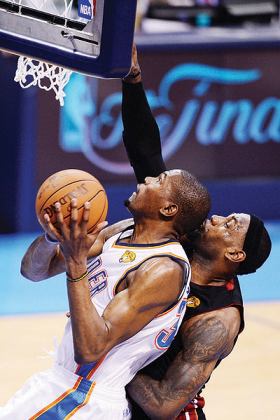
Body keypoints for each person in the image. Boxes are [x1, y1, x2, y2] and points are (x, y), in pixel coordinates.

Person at [120, 45, 272, 420]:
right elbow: (147, 158)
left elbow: (164, 404)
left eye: (229, 225)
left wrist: (107, 348)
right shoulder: (184, 235)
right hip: (114, 398)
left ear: (235, 256)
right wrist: (133, 80)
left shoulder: (218, 321)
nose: (217, 218)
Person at [0, 161, 210, 419]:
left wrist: (77, 264)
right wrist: (52, 236)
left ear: (168, 209)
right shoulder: (121, 232)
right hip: (61, 385)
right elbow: (34, 271)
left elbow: (91, 350)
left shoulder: (163, 269)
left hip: (84, 399)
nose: (147, 179)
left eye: (159, 180)